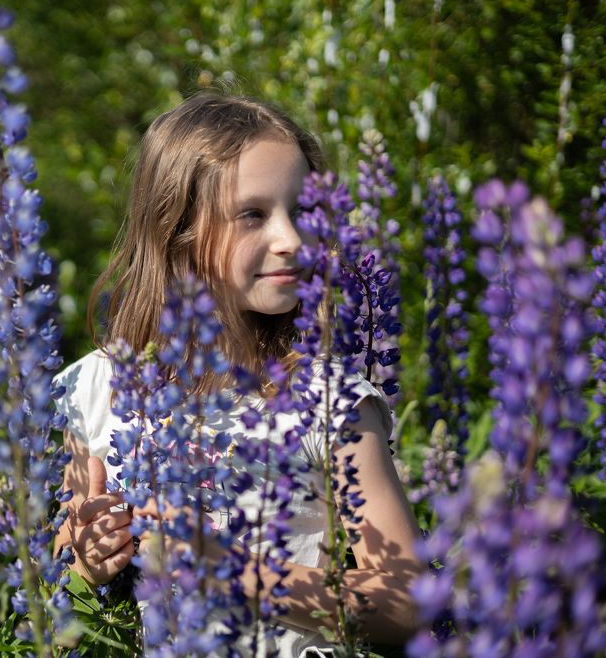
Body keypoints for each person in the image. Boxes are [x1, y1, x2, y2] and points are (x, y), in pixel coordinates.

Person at [51, 92, 423, 656]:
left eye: (302, 211)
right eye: (253, 214)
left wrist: (239, 573)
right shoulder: (95, 388)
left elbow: (409, 603)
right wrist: (91, 556)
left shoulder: (333, 401)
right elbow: (63, 566)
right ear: (177, 229)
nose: (292, 240)